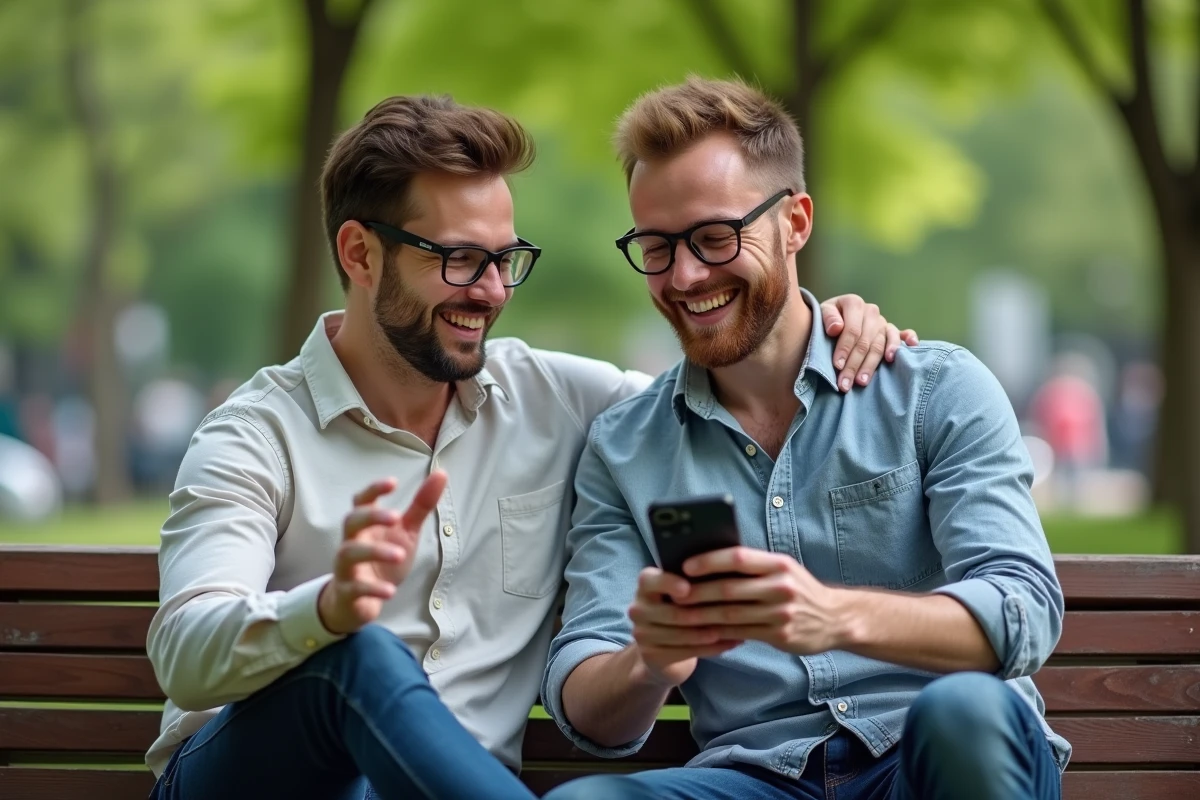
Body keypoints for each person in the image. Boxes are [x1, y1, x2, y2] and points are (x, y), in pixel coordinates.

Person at [145, 92, 913, 800]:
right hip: (258, 779)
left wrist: (826, 324)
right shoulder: (255, 434)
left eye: (504, 259)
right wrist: (325, 608)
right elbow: (184, 649)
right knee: (357, 658)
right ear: (360, 254)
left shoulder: (566, 404)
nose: (491, 291)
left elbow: (725, 387)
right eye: (459, 260)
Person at [540, 77, 1069, 800]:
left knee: (966, 712)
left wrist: (835, 615)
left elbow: (1023, 610)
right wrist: (649, 663)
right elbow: (586, 702)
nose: (685, 275)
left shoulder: (934, 389)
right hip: (757, 779)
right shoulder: (624, 449)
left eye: (715, 237)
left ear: (795, 222)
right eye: (656, 247)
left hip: (928, 763)